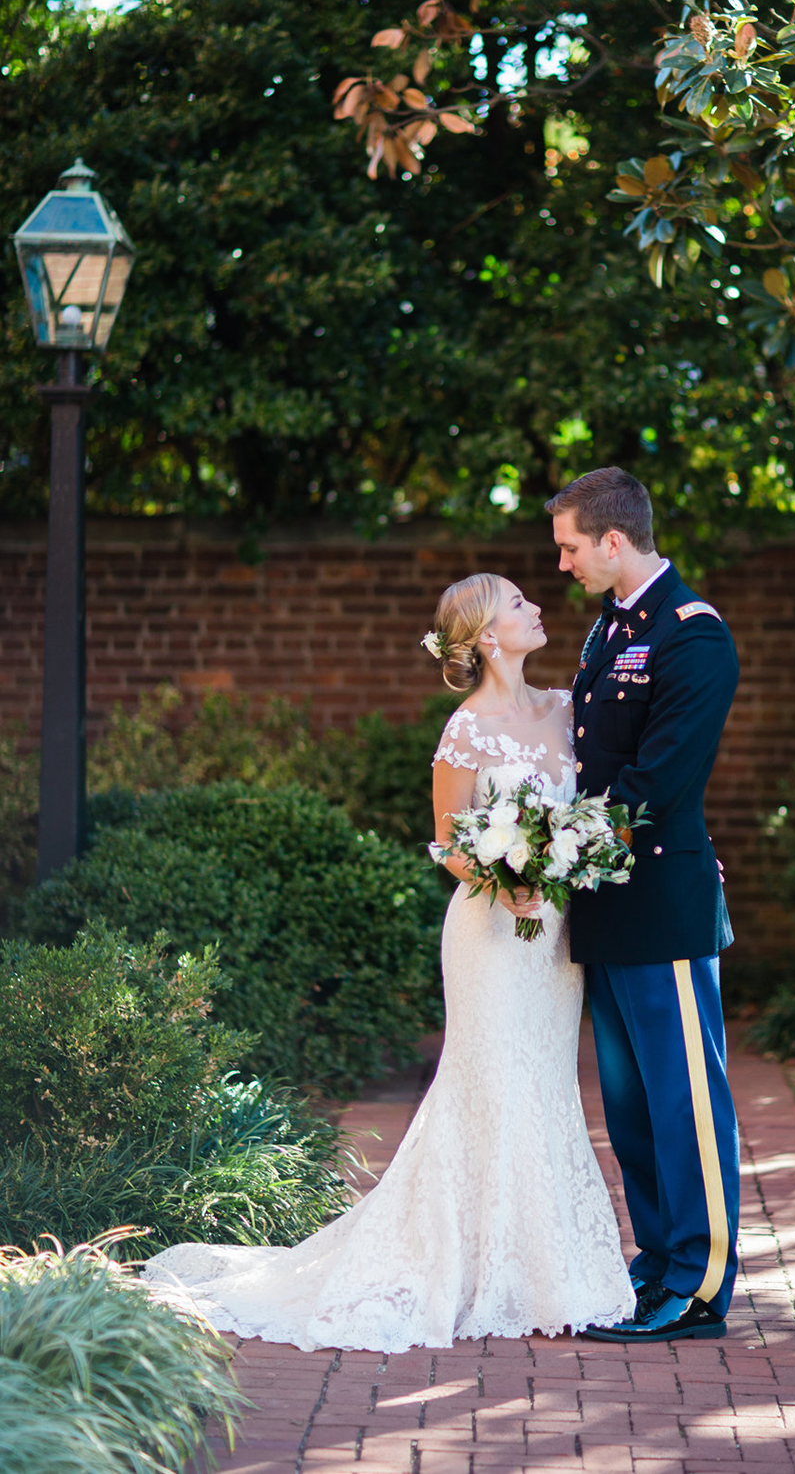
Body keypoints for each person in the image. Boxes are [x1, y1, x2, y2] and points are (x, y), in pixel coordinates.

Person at [143, 575, 638, 1350]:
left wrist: (560, 869)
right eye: (516, 603)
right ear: (482, 636)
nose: (534, 607)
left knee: (543, 1082)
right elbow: (449, 841)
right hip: (490, 934)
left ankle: (542, 1267)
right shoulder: (465, 730)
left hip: (557, 941)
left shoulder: (564, 708)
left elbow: (589, 810)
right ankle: (470, 1267)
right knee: (491, 1081)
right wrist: (504, 882)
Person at [547, 468, 743, 1343]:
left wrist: (566, 841)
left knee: (684, 1098)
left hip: (660, 898)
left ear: (614, 542)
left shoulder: (690, 635)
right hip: (606, 904)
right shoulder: (607, 630)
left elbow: (659, 778)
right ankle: (658, 1262)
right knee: (630, 1108)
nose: (564, 563)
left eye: (570, 546)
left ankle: (698, 1284)